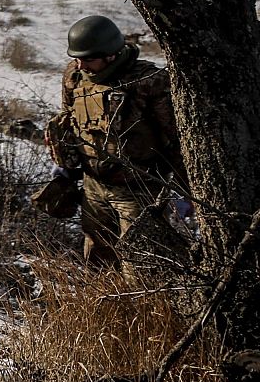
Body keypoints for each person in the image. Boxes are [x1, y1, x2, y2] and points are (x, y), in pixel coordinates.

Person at [45, 15, 188, 271]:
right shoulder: (75, 75)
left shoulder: (150, 81)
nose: (81, 64)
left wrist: (184, 189)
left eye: (89, 59)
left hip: (139, 189)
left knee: (141, 264)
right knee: (97, 261)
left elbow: (178, 137)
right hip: (93, 184)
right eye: (77, 58)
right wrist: (65, 165)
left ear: (110, 55)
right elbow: (69, 117)